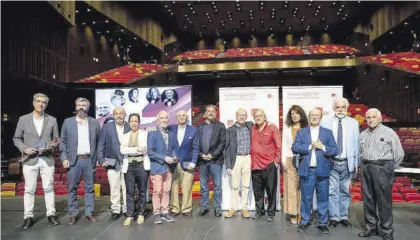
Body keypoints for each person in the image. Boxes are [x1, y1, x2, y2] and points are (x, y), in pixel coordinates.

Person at [13, 93, 60, 230]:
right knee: (29, 189)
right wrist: (25, 148)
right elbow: (16, 138)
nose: (41, 104)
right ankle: (28, 217)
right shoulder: (23, 119)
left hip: (46, 158)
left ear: (46, 104)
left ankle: (51, 214)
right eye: (38, 101)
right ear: (34, 103)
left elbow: (57, 139)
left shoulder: (52, 120)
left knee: (49, 187)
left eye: (43, 102)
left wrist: (49, 146)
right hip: (30, 159)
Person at [358, 108, 404, 240]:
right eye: (368, 118)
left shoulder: (389, 133)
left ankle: (386, 230)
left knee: (384, 201)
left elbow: (399, 154)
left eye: (373, 117)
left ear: (380, 118)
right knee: (368, 199)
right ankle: (371, 227)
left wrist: (389, 169)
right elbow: (360, 152)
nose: (371, 120)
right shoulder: (363, 134)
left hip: (383, 167)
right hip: (366, 166)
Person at [292, 108, 338, 234]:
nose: (314, 117)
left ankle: (323, 223)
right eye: (312, 115)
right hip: (307, 171)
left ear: (321, 117)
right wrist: (309, 146)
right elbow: (294, 147)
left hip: (323, 170)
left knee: (323, 198)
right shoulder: (302, 132)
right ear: (308, 116)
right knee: (306, 198)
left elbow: (334, 150)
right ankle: (304, 221)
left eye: (317, 115)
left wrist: (322, 146)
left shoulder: (327, 133)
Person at [60, 98, 100, 225]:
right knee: (72, 188)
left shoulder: (94, 123)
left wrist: (98, 159)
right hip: (74, 160)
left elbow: (99, 143)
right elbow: (63, 141)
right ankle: (73, 213)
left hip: (89, 160)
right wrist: (64, 158)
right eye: (79, 105)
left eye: (84, 105)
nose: (81, 107)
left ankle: (89, 213)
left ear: (88, 108)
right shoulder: (67, 122)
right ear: (76, 107)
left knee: (90, 188)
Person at [321, 98, 360, 228]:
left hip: (347, 162)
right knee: (332, 191)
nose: (340, 109)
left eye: (343, 107)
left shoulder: (354, 123)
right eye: (338, 107)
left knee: (345, 191)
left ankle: (343, 216)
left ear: (347, 108)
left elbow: (356, 144)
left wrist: (356, 163)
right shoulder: (325, 122)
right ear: (334, 108)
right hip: (331, 162)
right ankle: (334, 217)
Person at [97, 107, 130, 222]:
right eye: (116, 113)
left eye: (121, 113)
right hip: (112, 162)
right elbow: (101, 144)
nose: (119, 115)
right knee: (114, 187)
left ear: (125, 115)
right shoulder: (107, 127)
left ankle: (127, 209)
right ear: (113, 115)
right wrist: (101, 160)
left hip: (127, 162)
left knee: (127, 187)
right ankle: (116, 210)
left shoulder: (130, 126)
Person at [250, 109, 281, 222]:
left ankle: (271, 213)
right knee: (257, 191)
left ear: (264, 117)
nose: (258, 118)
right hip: (255, 165)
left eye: (260, 116)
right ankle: (259, 211)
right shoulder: (252, 128)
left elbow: (278, 145)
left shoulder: (272, 128)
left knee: (271, 190)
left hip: (269, 165)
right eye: (256, 116)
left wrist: (276, 161)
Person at [196, 105, 226, 217]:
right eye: (209, 111)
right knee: (203, 186)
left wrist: (212, 155)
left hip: (216, 161)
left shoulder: (221, 126)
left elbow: (222, 143)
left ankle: (217, 207)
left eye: (213, 111)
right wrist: (201, 154)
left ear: (216, 113)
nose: (211, 113)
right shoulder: (198, 127)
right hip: (202, 160)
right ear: (205, 113)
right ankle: (204, 206)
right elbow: (195, 143)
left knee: (217, 186)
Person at [120, 113, 149, 225]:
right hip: (129, 166)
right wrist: (137, 149)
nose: (134, 123)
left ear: (139, 122)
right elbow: (123, 150)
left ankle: (141, 213)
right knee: (130, 192)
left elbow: (145, 149)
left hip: (142, 164)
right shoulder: (125, 135)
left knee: (142, 191)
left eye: (136, 121)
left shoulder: (145, 134)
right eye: (132, 121)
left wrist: (131, 149)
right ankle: (130, 215)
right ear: (129, 122)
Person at [168, 110, 199, 217]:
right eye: (179, 115)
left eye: (183, 115)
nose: (181, 117)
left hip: (187, 163)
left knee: (187, 186)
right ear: (176, 118)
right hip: (174, 162)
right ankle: (174, 208)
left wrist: (194, 162)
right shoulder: (171, 128)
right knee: (174, 186)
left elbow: (195, 148)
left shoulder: (193, 130)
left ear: (187, 117)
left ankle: (186, 208)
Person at [281, 105, 309, 224]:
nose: (294, 116)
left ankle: (302, 212)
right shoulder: (287, 128)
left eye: (296, 113)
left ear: (301, 114)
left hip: (305, 159)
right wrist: (283, 161)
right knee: (291, 187)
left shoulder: (308, 128)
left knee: (304, 187)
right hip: (290, 159)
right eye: (292, 114)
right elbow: (284, 145)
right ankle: (293, 213)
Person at [147, 111, 176, 224]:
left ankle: (165, 211)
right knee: (157, 191)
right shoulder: (152, 133)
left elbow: (172, 148)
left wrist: (174, 156)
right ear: (157, 120)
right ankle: (156, 213)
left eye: (166, 118)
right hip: (157, 167)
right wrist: (164, 158)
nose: (164, 120)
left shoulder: (171, 133)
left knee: (166, 191)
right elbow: (150, 152)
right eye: (162, 118)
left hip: (168, 167)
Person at [224, 108, 253, 219]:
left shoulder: (250, 126)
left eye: (244, 115)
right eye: (240, 115)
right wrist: (228, 165)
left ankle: (244, 208)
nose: (242, 117)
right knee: (235, 185)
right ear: (236, 117)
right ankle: (233, 208)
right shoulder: (230, 130)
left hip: (248, 158)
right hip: (236, 158)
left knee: (246, 185)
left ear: (246, 117)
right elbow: (226, 149)